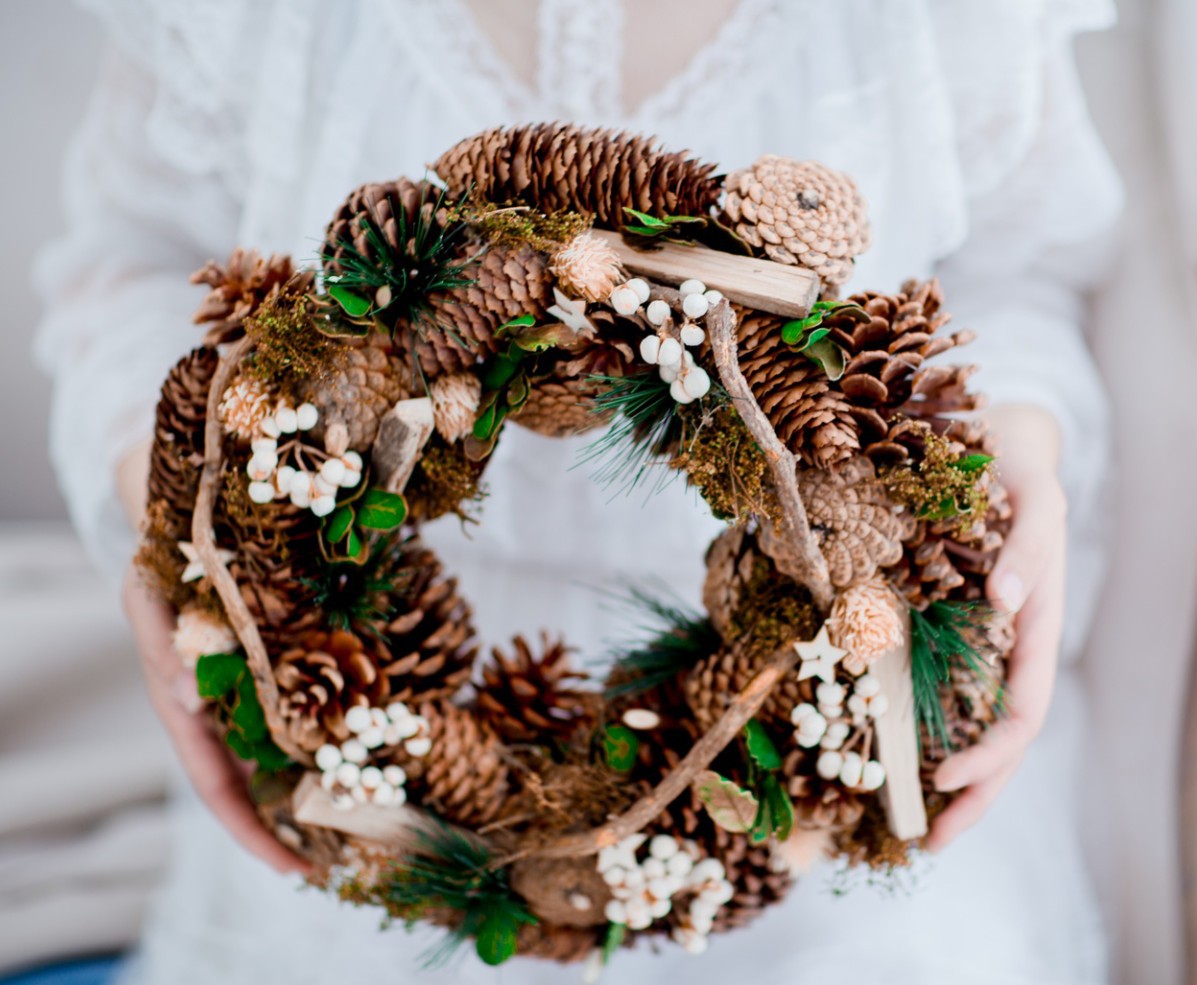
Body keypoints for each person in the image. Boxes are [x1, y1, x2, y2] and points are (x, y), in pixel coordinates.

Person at [35, 0, 1122, 981]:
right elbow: (131, 262)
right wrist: (178, 511)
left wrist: (1016, 455)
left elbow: (1021, 271)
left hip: (824, 712)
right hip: (349, 725)